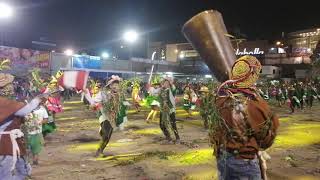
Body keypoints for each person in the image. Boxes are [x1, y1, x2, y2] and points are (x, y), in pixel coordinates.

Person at [210, 56, 279, 180]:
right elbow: (267, 136)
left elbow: (215, 130)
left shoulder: (219, 100)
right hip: (244, 163)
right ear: (253, 76)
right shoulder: (256, 104)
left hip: (222, 158)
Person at [0, 72, 48, 179]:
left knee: (23, 170)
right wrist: (38, 100)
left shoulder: (8, 103)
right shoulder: (5, 103)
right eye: (10, 84)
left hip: (9, 140)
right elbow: (24, 111)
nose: (12, 86)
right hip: (5, 143)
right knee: (6, 174)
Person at [84, 75, 129, 157]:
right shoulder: (104, 94)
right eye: (113, 84)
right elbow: (93, 102)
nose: (115, 86)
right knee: (106, 134)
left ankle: (101, 149)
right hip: (104, 115)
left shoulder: (120, 95)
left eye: (117, 84)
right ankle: (99, 151)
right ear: (110, 86)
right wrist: (87, 95)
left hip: (112, 118)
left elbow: (123, 106)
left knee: (108, 136)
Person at [25, 98, 48, 165]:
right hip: (27, 133)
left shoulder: (42, 109)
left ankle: (35, 161)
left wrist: (40, 122)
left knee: (36, 148)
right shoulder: (26, 110)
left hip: (37, 132)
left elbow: (46, 119)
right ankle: (28, 161)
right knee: (27, 148)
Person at [158, 78, 180, 144]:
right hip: (163, 110)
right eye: (165, 83)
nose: (166, 84)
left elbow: (174, 89)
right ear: (163, 84)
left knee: (173, 124)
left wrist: (171, 83)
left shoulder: (171, 90)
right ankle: (168, 138)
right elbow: (159, 98)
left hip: (170, 110)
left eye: (168, 83)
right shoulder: (161, 91)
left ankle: (177, 138)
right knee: (162, 124)